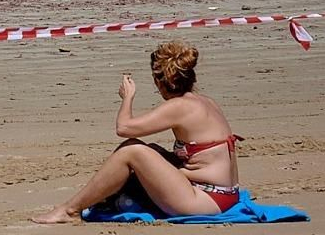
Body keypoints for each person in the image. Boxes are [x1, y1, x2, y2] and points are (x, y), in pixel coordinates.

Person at [31, 40, 242, 223]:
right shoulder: (205, 102)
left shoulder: (180, 106)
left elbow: (124, 128)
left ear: (160, 82)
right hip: (226, 195)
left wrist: (128, 97)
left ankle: (70, 210)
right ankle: (110, 198)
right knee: (152, 150)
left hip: (206, 201)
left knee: (131, 150)